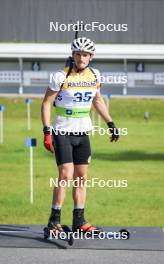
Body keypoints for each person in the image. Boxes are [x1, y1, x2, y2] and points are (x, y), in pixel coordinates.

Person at [41, 37, 119, 235]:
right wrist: (47, 131)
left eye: (85, 54)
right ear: (72, 55)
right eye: (77, 54)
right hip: (62, 131)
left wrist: (110, 123)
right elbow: (46, 103)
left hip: (82, 131)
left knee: (81, 178)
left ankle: (79, 221)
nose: (81, 57)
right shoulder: (60, 76)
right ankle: (54, 220)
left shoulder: (95, 75)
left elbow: (98, 100)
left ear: (91, 57)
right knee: (66, 175)